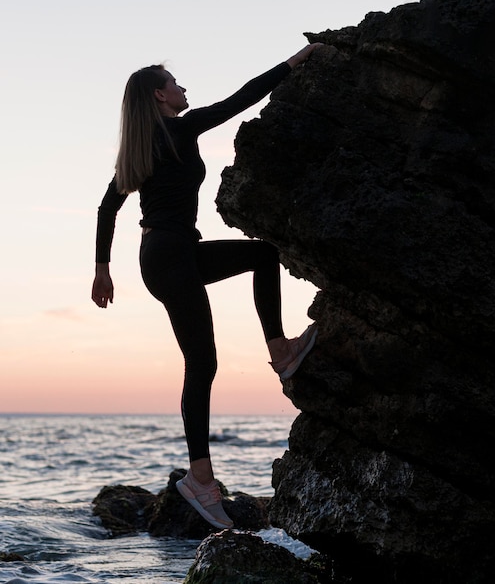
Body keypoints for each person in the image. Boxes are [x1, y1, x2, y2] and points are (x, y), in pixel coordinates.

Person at [91, 43, 322, 529]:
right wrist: (293, 62)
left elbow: (106, 208)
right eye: (175, 84)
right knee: (203, 362)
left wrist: (103, 268)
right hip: (172, 256)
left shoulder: (143, 147)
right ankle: (200, 480)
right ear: (159, 96)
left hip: (169, 254)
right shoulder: (176, 129)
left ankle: (280, 350)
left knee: (264, 254)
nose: (183, 89)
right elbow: (239, 100)